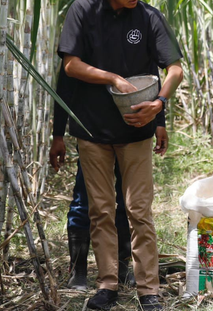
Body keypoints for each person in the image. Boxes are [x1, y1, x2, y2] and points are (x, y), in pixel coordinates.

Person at [57, 0, 183, 310]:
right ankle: (107, 284)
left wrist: (158, 106)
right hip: (92, 130)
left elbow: (174, 68)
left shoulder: (148, 18)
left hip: (136, 130)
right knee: (100, 209)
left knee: (139, 210)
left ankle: (149, 290)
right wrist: (113, 77)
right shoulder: (83, 11)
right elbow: (71, 66)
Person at [49, 65, 168, 292]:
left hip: (130, 133)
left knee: (129, 203)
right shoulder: (83, 36)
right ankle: (79, 270)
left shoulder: (137, 32)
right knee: (87, 201)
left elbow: (151, 82)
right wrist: (58, 134)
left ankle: (122, 267)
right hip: (93, 133)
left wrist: (159, 121)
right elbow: (66, 82)